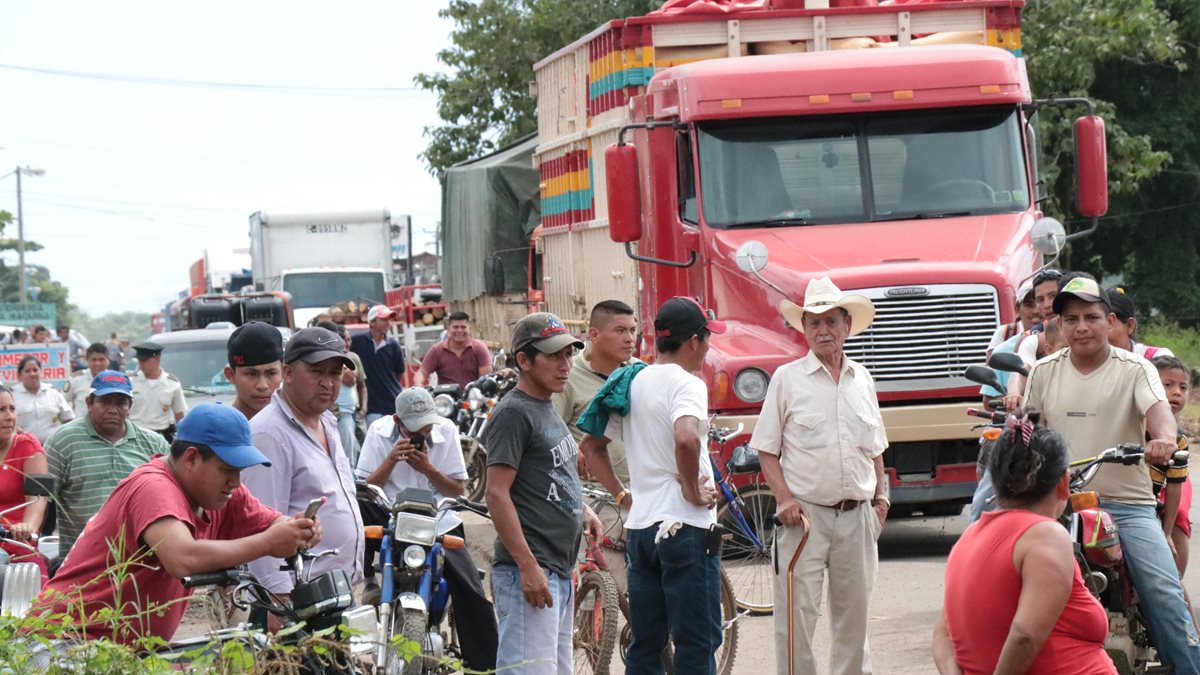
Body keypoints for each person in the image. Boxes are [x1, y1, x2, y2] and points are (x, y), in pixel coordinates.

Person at [31, 403, 321, 647]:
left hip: (127, 651)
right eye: (228, 470)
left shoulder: (220, 493)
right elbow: (182, 557)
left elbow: (273, 523)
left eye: (240, 471)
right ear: (191, 457)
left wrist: (298, 529)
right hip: (65, 642)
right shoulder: (153, 486)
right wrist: (269, 543)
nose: (235, 482)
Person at [1024, 276, 1200, 671]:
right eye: (1071, 319)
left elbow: (1158, 413)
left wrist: (1164, 438)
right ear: (1061, 326)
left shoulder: (1136, 369)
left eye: (1091, 317)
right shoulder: (1043, 371)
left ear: (1110, 321)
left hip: (1127, 505)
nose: (1081, 326)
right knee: (1007, 580)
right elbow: (1029, 427)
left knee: (1164, 590)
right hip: (1060, 504)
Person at [749, 277, 889, 675]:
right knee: (796, 621)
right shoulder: (787, 379)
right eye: (814, 323)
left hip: (858, 516)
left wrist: (882, 501)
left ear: (847, 326)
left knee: (855, 621)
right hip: (805, 519)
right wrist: (784, 499)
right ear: (804, 330)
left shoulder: (862, 379)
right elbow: (766, 449)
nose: (823, 331)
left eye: (831, 321)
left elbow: (876, 447)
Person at [580, 297, 727, 674]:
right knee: (697, 642)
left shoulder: (633, 379)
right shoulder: (687, 384)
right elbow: (686, 438)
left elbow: (591, 447)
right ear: (693, 341)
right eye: (707, 339)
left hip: (642, 528)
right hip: (684, 527)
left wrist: (623, 495)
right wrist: (693, 491)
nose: (709, 348)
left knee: (646, 641)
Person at [934, 408, 1116, 674]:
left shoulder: (968, 539)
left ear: (994, 482)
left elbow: (942, 634)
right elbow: (1024, 637)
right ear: (1064, 484)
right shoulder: (1045, 534)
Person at [484, 312, 603, 674]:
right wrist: (527, 566)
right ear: (523, 360)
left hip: (558, 569)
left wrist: (582, 508)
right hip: (532, 573)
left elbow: (546, 475)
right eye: (553, 355)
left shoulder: (546, 406)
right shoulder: (513, 414)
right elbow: (496, 494)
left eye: (568, 355)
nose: (565, 364)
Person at [356, 387, 498, 672]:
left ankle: (485, 667)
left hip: (439, 518)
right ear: (398, 421)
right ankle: (369, 578)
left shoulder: (446, 430)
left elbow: (459, 489)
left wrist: (428, 469)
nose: (424, 431)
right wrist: (391, 460)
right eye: (415, 427)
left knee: (472, 591)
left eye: (427, 424)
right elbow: (365, 487)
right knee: (356, 511)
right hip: (391, 516)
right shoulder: (378, 431)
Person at [242, 327, 364, 628]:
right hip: (293, 605)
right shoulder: (268, 433)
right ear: (288, 372)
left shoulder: (327, 421)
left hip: (334, 594)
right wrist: (277, 603)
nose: (327, 382)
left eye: (335, 373)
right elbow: (261, 522)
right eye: (316, 371)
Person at [44, 370, 168, 558]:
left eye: (120, 403)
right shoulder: (63, 441)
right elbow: (41, 497)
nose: (113, 409)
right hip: (82, 562)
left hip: (141, 561)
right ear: (89, 403)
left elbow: (171, 498)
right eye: (105, 401)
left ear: (130, 406)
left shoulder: (154, 444)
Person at [554, 300, 638, 483]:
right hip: (592, 496)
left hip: (640, 493)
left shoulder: (639, 372)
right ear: (594, 334)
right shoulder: (567, 376)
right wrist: (572, 447)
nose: (629, 338)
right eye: (620, 330)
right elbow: (548, 427)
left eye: (632, 330)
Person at [0, 386, 49, 578]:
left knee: (41, 601)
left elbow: (38, 498)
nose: (9, 416)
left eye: (12, 409)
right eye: (1, 410)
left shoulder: (26, 445)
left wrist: (27, 527)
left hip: (17, 542)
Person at [1153, 355, 1193, 576]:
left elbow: (1176, 482)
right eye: (1167, 385)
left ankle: (1176, 578)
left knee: (1176, 516)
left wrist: (1167, 532)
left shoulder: (1179, 440)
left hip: (1172, 483)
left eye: (1183, 387)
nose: (1177, 392)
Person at [318, 321, 366, 464]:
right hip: (337, 414)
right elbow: (349, 377)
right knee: (343, 457)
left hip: (347, 413)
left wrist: (363, 408)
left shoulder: (348, 357)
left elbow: (356, 381)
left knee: (351, 455)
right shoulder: (322, 359)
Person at [350, 305, 405, 426]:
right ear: (372, 322)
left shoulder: (393, 345)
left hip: (392, 401)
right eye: (384, 320)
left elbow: (399, 371)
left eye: (389, 320)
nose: (388, 323)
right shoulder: (357, 342)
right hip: (371, 405)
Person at [223, 321, 284, 420]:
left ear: (284, 372)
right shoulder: (220, 432)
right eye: (251, 374)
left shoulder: (297, 427)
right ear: (230, 375)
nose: (262, 386)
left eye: (271, 373)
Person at [129, 341, 187, 442]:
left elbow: (180, 416)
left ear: (157, 359)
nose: (141, 364)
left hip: (161, 437)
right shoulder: (131, 382)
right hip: (136, 437)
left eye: (144, 360)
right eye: (139, 360)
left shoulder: (172, 384)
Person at [415, 311, 493, 387]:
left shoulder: (479, 348)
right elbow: (422, 372)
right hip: (445, 397)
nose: (459, 330)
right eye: (455, 327)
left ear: (469, 328)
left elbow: (485, 379)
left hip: (474, 396)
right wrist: (418, 384)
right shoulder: (437, 350)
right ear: (448, 329)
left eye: (463, 327)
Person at [12, 355, 73, 443]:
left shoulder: (52, 392)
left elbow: (68, 418)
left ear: (41, 372)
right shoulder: (12, 395)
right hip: (23, 447)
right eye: (27, 371)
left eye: (35, 370)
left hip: (53, 447)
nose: (32, 374)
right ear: (19, 375)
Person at [1107, 287, 1175, 360]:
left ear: (1130, 325)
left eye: (1108, 324)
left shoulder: (1158, 358)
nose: (1099, 332)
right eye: (1093, 322)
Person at [986, 279, 1040, 357]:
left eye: (1039, 302)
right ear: (1017, 310)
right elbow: (992, 365)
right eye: (1029, 304)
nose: (1035, 311)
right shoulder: (1005, 333)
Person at [63, 343, 110, 419]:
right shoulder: (75, 379)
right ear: (87, 360)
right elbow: (63, 403)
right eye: (93, 360)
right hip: (81, 428)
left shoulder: (115, 380)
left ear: (108, 360)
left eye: (101, 360)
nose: (97, 363)